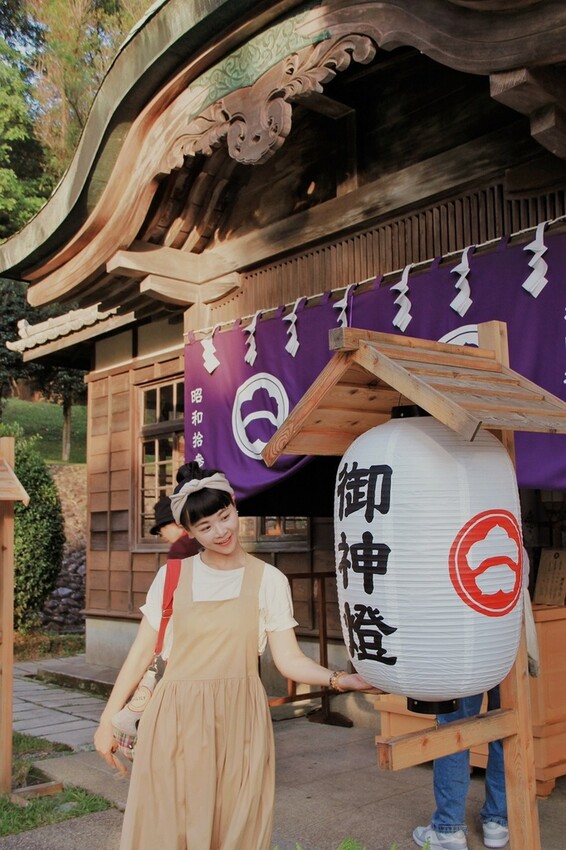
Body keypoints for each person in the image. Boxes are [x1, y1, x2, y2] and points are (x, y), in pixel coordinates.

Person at [94, 463, 382, 850]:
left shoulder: (269, 580)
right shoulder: (173, 576)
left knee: (236, 829)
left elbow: (288, 659)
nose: (221, 532)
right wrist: (106, 722)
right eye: (205, 527)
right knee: (169, 829)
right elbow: (141, 652)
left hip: (240, 722)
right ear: (190, 532)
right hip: (174, 720)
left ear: (234, 505)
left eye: (224, 516)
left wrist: (340, 680)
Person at [413, 687, 508, 850]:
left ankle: (448, 829)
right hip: (510, 662)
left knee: (453, 725)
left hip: (466, 662)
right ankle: (498, 823)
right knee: (505, 725)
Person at [149, 493, 200, 558]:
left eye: (161, 530)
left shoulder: (179, 548)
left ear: (176, 522)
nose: (162, 536)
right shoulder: (202, 538)